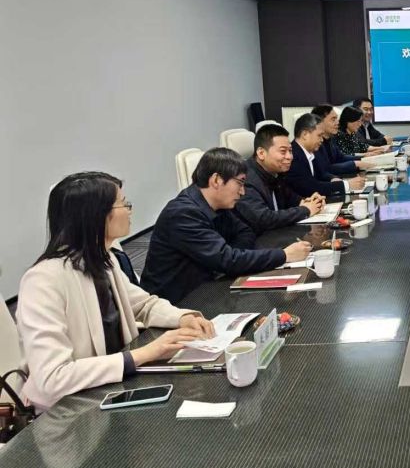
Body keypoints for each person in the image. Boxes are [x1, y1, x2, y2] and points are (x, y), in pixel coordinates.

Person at [16, 172, 216, 410]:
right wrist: (144, 354)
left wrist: (183, 317)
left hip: (111, 391)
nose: (129, 210)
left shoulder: (104, 259)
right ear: (96, 215)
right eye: (123, 203)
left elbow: (144, 304)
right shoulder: (43, 281)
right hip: (70, 414)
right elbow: (52, 379)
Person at [140, 148, 310, 303]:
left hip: (208, 287)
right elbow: (227, 259)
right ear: (216, 180)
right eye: (240, 183)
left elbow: (245, 232)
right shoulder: (183, 213)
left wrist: (232, 259)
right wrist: (284, 255)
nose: (242, 192)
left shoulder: (218, 204)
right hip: (177, 303)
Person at [234, 123, 325, 235]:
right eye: (283, 151)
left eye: (290, 151)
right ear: (261, 153)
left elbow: (290, 198)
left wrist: (309, 202)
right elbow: (264, 219)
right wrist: (305, 210)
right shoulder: (245, 180)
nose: (289, 157)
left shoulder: (275, 172)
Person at [288, 112, 357, 198]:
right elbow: (311, 188)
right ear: (305, 134)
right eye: (319, 135)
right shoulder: (293, 156)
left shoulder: (310, 151)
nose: (322, 140)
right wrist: (346, 185)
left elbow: (321, 174)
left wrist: (332, 178)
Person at [310, 104, 371, 193]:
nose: (337, 122)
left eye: (337, 119)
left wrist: (363, 158)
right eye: (333, 119)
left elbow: (340, 157)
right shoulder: (315, 144)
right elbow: (325, 169)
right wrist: (354, 164)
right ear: (319, 122)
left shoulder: (330, 138)